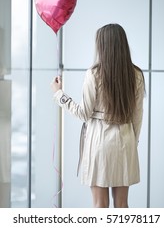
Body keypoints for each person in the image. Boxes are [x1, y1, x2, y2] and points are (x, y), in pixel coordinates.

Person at [51, 23, 145, 208]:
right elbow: (137, 116)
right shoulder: (136, 75)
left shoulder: (94, 74)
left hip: (99, 142)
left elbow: (83, 113)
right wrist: (133, 142)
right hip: (126, 141)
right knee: (122, 204)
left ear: (102, 46)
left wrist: (59, 94)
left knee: (100, 206)